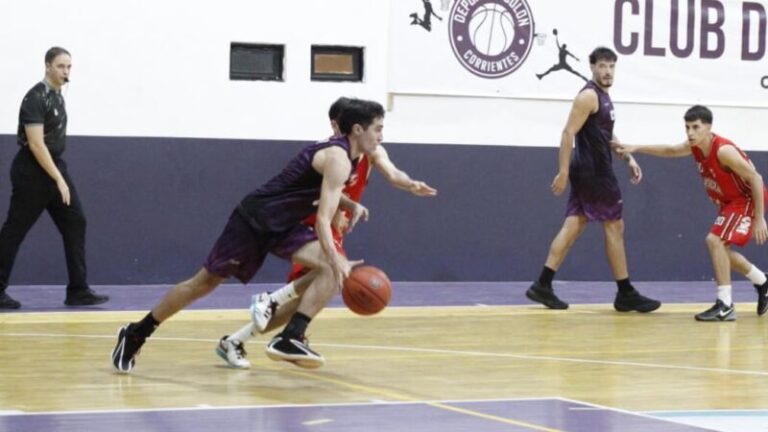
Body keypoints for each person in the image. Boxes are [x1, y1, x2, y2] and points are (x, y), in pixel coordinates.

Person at [111, 98, 386, 373]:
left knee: (330, 267)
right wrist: (335, 256)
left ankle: (290, 337)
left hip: (285, 224)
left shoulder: (347, 159)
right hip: (255, 219)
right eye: (377, 129)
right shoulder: (337, 157)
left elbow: (319, 190)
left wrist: (349, 206)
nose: (381, 136)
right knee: (204, 283)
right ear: (358, 130)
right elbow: (323, 220)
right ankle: (137, 332)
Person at [215, 97, 437, 369]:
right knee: (324, 277)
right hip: (312, 223)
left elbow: (393, 174)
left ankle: (241, 338)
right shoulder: (334, 154)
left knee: (309, 292)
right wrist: (338, 212)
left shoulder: (371, 150)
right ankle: (278, 316)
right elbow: (324, 196)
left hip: (333, 227)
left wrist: (411, 184)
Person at [525, 46, 661, 313]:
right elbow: (567, 134)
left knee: (574, 224)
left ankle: (542, 283)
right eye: (602, 66)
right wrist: (562, 172)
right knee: (614, 227)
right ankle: (625, 292)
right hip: (595, 173)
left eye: (611, 66)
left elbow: (605, 135)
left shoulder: (603, 98)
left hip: (590, 171)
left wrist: (627, 158)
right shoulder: (588, 96)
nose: (607, 71)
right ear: (592, 67)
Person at [613, 105, 768, 321]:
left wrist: (760, 218)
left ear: (708, 127)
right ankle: (762, 281)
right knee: (720, 251)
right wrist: (636, 147)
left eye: (696, 127)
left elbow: (756, 178)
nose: (690, 133)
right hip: (728, 202)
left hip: (746, 199)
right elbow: (671, 150)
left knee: (714, 242)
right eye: (687, 127)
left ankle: (725, 305)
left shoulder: (723, 150)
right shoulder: (695, 146)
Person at [0, 47, 108, 309]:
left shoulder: (58, 96)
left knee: (75, 222)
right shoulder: (35, 97)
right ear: (47, 66)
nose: (66, 72)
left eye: (69, 67)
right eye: (61, 66)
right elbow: (36, 146)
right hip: (32, 171)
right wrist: (59, 179)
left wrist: (59, 176)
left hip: (54, 167)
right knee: (15, 230)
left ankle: (78, 290)